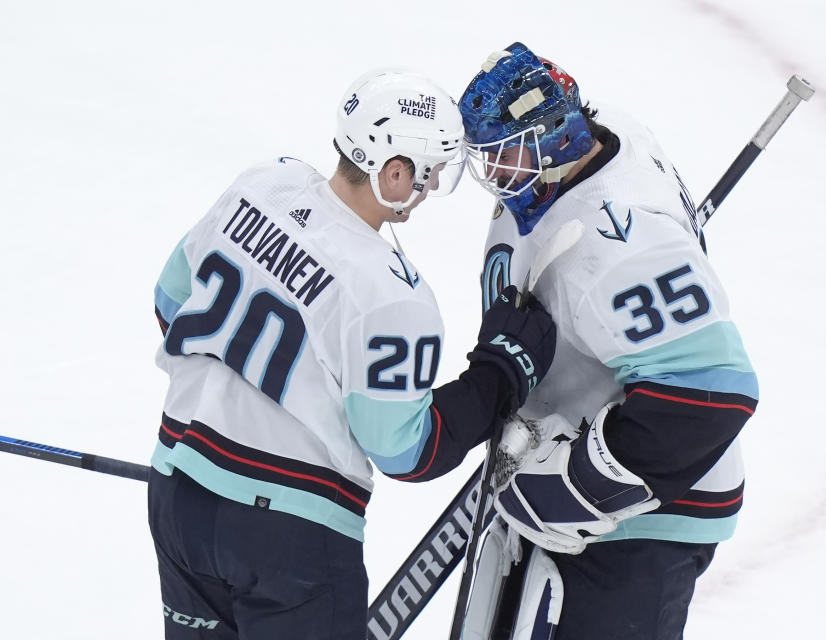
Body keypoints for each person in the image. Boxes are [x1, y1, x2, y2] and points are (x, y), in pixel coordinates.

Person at [147, 68, 557, 639]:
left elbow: (171, 305)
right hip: (288, 541)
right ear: (394, 172)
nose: (432, 187)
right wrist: (499, 372)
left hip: (177, 493)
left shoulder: (263, 184)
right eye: (430, 172)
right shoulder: (391, 292)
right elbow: (406, 449)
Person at [456, 43, 759, 639]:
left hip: (645, 525)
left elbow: (713, 395)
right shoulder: (608, 133)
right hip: (558, 476)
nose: (493, 175)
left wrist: (577, 486)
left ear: (555, 138)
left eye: (506, 156)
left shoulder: (620, 250)